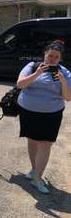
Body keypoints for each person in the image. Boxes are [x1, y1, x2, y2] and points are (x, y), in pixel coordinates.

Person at [16, 40, 71, 194]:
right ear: (45, 55)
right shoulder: (32, 66)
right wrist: (37, 73)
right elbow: (20, 84)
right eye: (50, 55)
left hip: (52, 114)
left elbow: (68, 97)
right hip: (28, 110)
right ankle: (34, 169)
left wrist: (63, 81)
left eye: (56, 57)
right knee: (32, 140)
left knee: (45, 144)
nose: (52, 59)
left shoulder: (65, 73)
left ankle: (37, 179)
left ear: (60, 58)